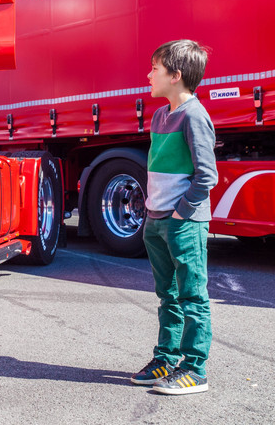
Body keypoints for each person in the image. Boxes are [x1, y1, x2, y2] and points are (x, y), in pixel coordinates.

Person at [131, 39, 218, 395]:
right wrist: (152, 210)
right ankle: (166, 358)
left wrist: (181, 213)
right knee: (167, 295)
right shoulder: (159, 115)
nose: (148, 74)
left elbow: (206, 176)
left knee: (192, 296)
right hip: (156, 220)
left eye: (155, 68)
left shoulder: (195, 116)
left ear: (176, 75)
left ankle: (194, 369)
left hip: (184, 222)